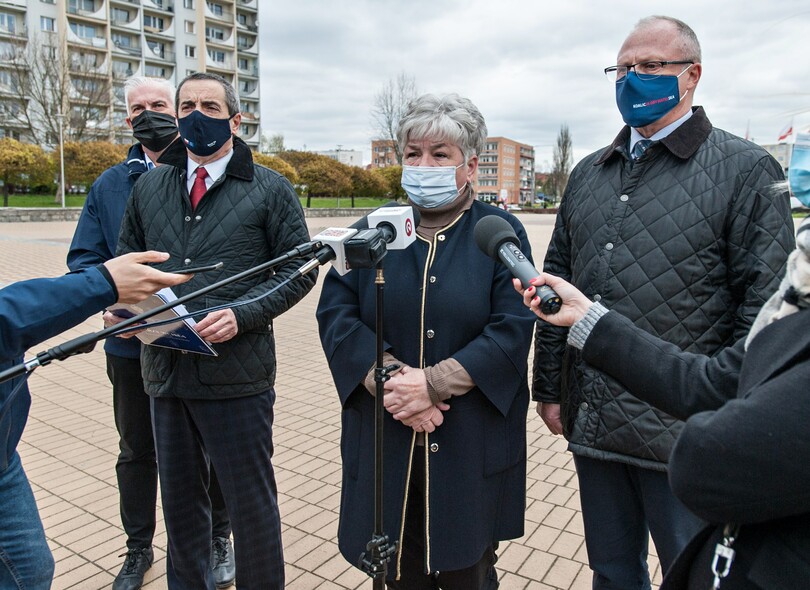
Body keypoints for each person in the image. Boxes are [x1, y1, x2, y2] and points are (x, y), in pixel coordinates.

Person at [532, 15, 796, 589]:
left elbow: (764, 316)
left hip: (686, 435)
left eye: (650, 66)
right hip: (595, 423)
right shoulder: (588, 173)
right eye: (622, 68)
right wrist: (549, 388)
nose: (632, 79)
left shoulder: (746, 171)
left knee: (694, 575)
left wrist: (737, 421)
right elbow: (554, 281)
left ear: (692, 76)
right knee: (612, 571)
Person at [515, 215, 810, 588]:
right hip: (598, 424)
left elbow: (709, 458)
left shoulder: (745, 167)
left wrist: (726, 426)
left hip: (672, 443)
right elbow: (712, 381)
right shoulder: (799, 295)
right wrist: (586, 320)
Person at [316, 93, 535, 589]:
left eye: (440, 155)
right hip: (385, 432)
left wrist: (434, 384)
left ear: (470, 165)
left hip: (467, 439)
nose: (423, 165)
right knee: (392, 567)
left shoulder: (498, 231)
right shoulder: (371, 231)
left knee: (467, 566)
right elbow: (336, 314)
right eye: (414, 154)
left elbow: (512, 326)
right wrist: (394, 383)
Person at [116, 71, 316, 590]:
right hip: (165, 371)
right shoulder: (149, 185)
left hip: (237, 376)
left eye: (209, 105)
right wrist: (121, 308)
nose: (195, 115)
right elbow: (126, 263)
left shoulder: (270, 189)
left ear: (235, 119)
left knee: (250, 507)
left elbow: (299, 270)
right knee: (181, 507)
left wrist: (243, 313)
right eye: (186, 106)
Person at [67, 76, 235, 590]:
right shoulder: (109, 185)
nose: (150, 114)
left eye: (159, 104)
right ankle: (138, 548)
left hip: (200, 342)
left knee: (208, 447)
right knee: (136, 449)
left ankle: (217, 537)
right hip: (131, 343)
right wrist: (107, 299)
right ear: (127, 120)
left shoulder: (210, 173)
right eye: (138, 109)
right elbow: (85, 260)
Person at [0, 252, 190, 590]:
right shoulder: (108, 197)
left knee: (30, 569)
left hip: (4, 453)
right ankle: (138, 548)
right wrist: (101, 285)